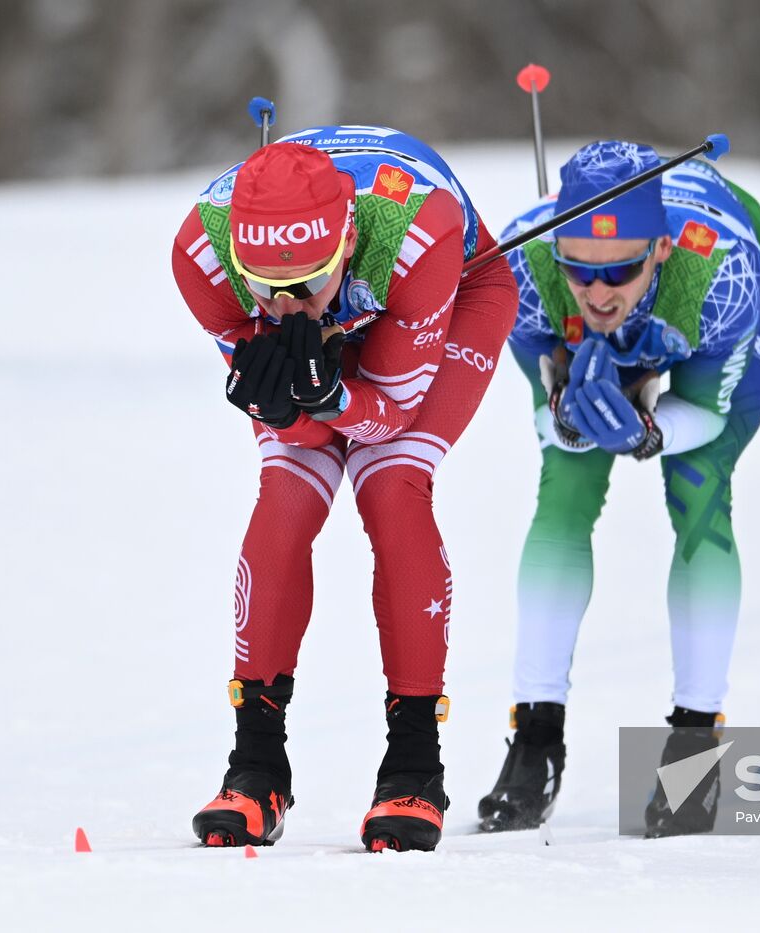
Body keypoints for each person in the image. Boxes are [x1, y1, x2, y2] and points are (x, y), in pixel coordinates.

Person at [170, 126, 517, 852]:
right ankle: (257, 762)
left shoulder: (416, 230)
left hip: (449, 296)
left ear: (349, 240)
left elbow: (386, 416)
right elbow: (299, 427)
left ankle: (414, 765)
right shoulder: (201, 256)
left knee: (392, 487)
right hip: (359, 314)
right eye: (265, 288)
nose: (288, 305)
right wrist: (286, 406)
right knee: (287, 498)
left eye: (308, 283)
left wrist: (329, 396)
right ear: (239, 258)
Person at [478, 140, 760, 837]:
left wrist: (649, 431)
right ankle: (535, 738)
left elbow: (706, 416)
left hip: (719, 309)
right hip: (604, 325)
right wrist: (564, 406)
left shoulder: (721, 275)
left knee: (700, 491)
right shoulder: (525, 268)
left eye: (620, 269)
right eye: (580, 271)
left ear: (659, 252)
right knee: (565, 486)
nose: (597, 291)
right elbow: (548, 405)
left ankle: (694, 744)